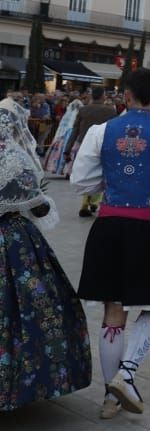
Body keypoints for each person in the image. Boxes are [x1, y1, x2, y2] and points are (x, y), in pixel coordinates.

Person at [70, 67, 150, 418]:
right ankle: (126, 375)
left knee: (114, 310)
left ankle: (111, 397)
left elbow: (80, 181)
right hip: (149, 228)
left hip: (109, 226)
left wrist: (111, 186)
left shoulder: (101, 132)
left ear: (124, 96)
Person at [0, 102, 92, 411]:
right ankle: (22, 382)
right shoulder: (16, 159)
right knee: (25, 308)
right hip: (13, 240)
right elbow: (39, 207)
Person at [66, 86, 118, 215]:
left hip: (83, 145)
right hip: (104, 146)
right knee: (101, 173)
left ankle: (85, 203)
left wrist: (67, 149)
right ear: (103, 96)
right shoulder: (110, 111)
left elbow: (75, 131)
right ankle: (95, 202)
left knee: (86, 173)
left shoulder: (83, 110)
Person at [43, 94, 81, 176]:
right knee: (72, 151)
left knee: (65, 150)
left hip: (66, 133)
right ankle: (68, 170)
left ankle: (63, 169)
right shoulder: (75, 109)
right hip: (72, 133)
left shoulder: (69, 109)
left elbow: (63, 124)